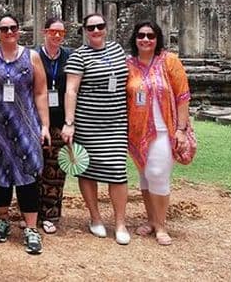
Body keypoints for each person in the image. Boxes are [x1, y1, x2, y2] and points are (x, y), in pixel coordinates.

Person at [0, 13, 51, 255]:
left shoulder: (32, 57)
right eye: (4, 29)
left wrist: (45, 125)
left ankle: (30, 228)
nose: (9, 33)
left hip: (25, 124)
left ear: (19, 31)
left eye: (13, 28)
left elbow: (40, 92)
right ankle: (3, 219)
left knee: (28, 174)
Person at [62, 13, 130, 245]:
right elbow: (71, 90)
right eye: (91, 27)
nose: (96, 31)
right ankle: (95, 217)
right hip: (88, 121)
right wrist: (69, 123)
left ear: (106, 28)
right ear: (85, 30)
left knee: (117, 171)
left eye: (100, 26)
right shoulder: (79, 55)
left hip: (116, 121)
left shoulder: (117, 50)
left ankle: (120, 222)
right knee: (88, 170)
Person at [126, 21, 191, 246]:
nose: (145, 39)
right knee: (145, 175)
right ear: (135, 39)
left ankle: (162, 225)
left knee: (157, 173)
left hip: (165, 129)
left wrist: (181, 131)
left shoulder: (170, 61)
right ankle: (152, 219)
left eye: (150, 36)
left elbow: (183, 97)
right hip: (137, 131)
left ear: (157, 39)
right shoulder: (128, 65)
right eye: (141, 35)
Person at [34, 17, 72, 234]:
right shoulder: (33, 55)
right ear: (44, 32)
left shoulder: (69, 57)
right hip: (35, 119)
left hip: (59, 120)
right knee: (32, 167)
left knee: (55, 170)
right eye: (53, 31)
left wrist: (70, 122)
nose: (57, 36)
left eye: (61, 32)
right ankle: (30, 211)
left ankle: (51, 214)